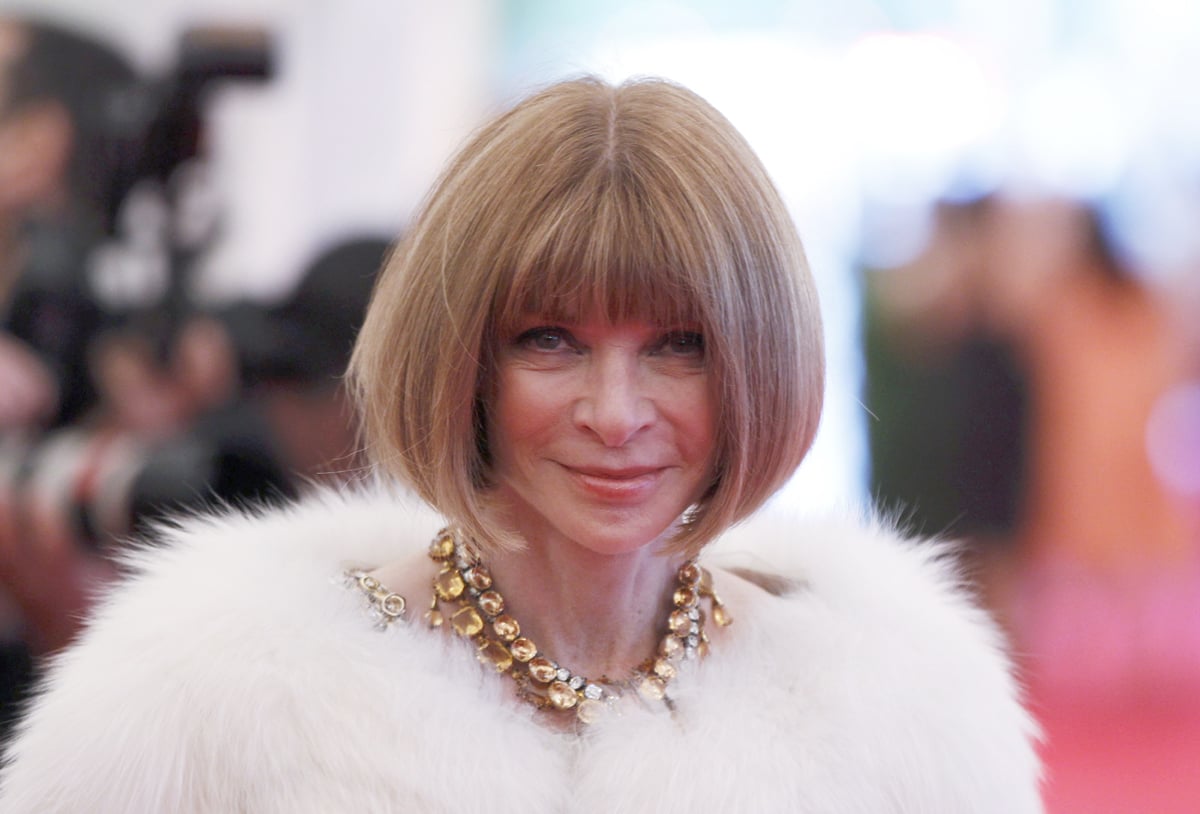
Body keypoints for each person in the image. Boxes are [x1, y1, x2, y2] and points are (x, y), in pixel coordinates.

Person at [0, 76, 1042, 812]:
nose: (617, 410)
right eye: (551, 341)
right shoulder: (212, 686)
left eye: (678, 346)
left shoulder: (895, 702)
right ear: (464, 362)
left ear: (755, 364)